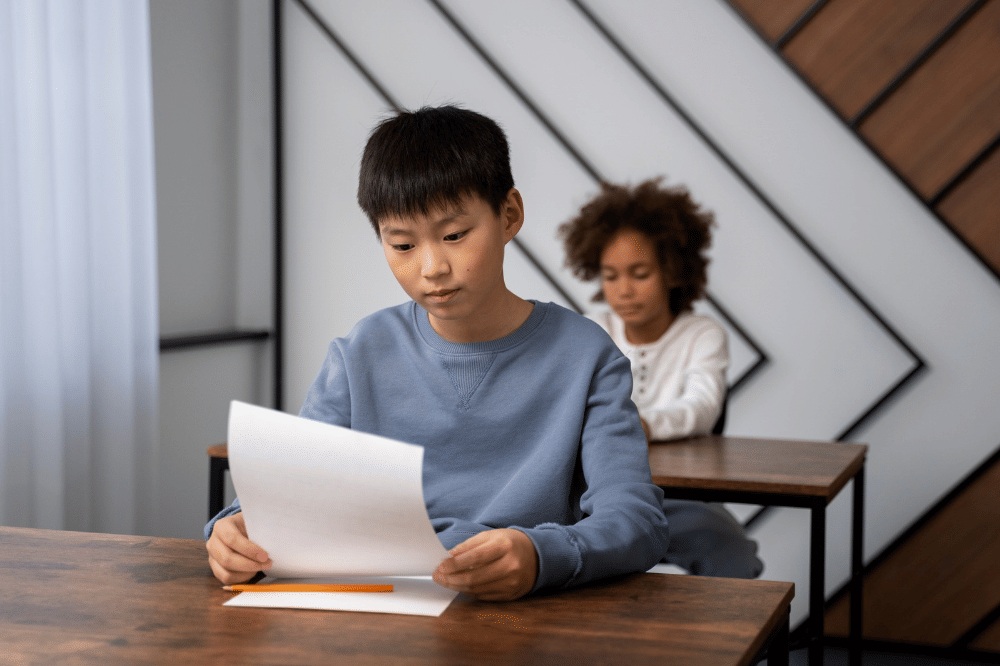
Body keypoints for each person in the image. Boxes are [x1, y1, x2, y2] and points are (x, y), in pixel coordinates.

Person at [204, 105, 670, 601]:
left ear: (508, 215)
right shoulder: (360, 353)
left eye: (454, 236)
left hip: (525, 615)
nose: (432, 267)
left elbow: (636, 520)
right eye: (402, 245)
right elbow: (287, 496)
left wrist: (539, 555)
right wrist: (233, 531)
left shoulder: (585, 355)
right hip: (379, 609)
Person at [560, 178, 763, 579]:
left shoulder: (702, 335)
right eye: (611, 275)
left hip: (679, 498)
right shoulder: (590, 330)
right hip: (595, 493)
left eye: (639, 273)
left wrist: (644, 425)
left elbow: (702, 408)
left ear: (672, 271)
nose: (624, 291)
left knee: (732, 555)